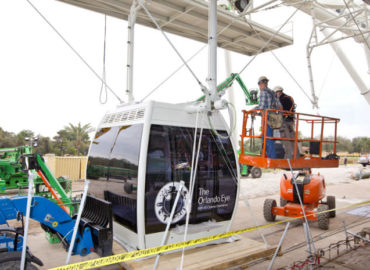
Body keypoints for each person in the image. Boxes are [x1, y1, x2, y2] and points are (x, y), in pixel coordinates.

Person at [254, 76, 280, 159]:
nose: (259, 86)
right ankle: (268, 155)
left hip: (267, 118)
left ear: (260, 84)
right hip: (273, 117)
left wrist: (252, 110)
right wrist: (259, 114)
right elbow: (278, 106)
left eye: (259, 84)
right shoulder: (273, 93)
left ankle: (271, 157)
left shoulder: (263, 92)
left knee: (266, 138)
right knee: (268, 137)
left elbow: (261, 106)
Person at [274, 86, 299, 159]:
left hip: (284, 122)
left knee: (286, 140)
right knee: (292, 139)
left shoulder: (281, 99)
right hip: (290, 121)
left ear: (278, 92)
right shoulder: (288, 98)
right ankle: (296, 156)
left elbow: (279, 110)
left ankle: (288, 157)